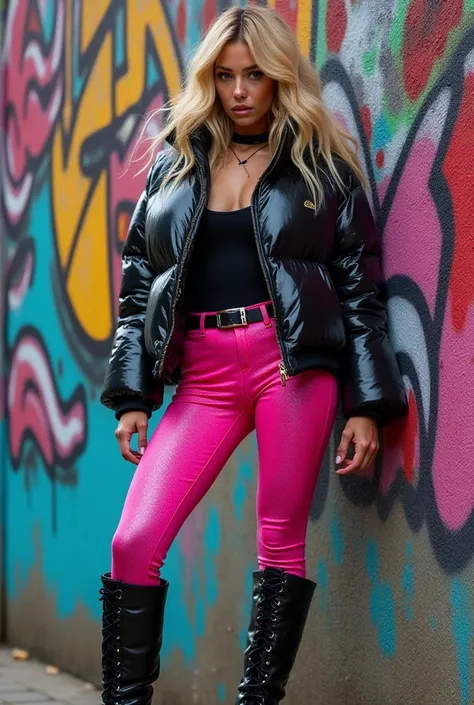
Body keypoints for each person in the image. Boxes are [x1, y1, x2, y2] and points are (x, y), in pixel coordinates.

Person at [98, 5, 407, 705]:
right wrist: (133, 395)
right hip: (203, 374)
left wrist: (367, 403)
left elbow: (361, 287)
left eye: (255, 76)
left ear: (278, 80)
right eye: (226, 76)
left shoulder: (318, 168)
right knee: (133, 542)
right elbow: (141, 280)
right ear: (209, 79)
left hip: (289, 366)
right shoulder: (177, 161)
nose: (239, 90)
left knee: (279, 542)